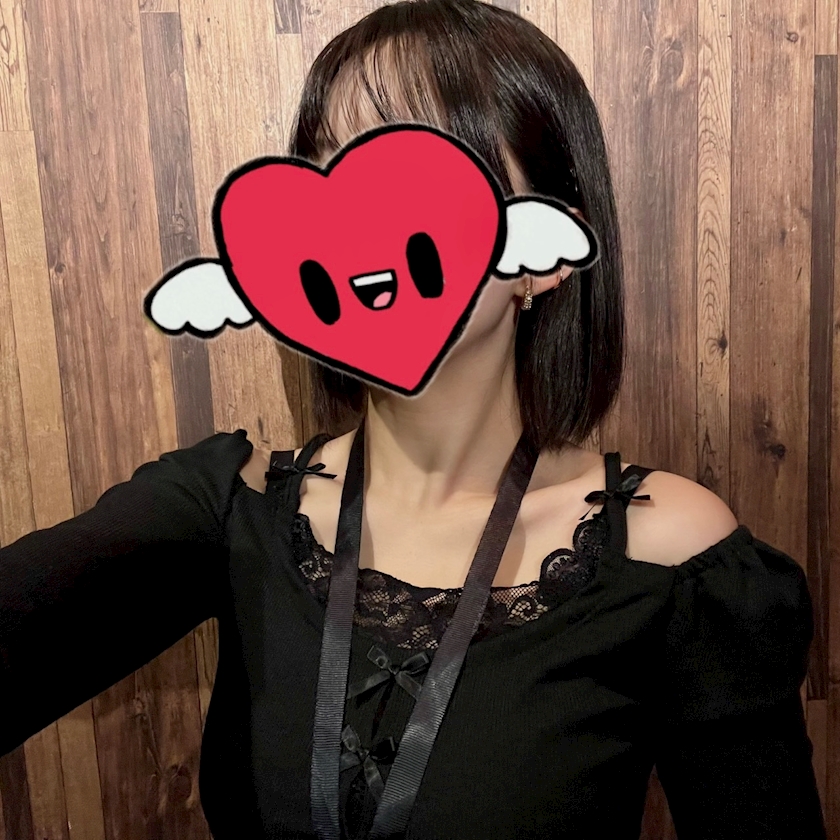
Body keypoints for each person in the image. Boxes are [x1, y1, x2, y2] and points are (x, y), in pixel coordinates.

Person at [0, 0, 826, 838]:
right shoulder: (225, 507)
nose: (364, 225)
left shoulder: (673, 557)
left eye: (419, 166)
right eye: (333, 168)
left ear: (542, 256)